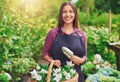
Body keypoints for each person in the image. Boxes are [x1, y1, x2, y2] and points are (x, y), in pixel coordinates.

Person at [42, 1, 87, 82]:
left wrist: (82, 60)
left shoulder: (81, 35)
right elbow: (45, 53)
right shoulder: (53, 33)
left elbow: (84, 55)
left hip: (76, 77)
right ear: (61, 15)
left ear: (75, 14)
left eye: (70, 11)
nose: (68, 15)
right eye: (64, 12)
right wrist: (52, 61)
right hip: (57, 76)